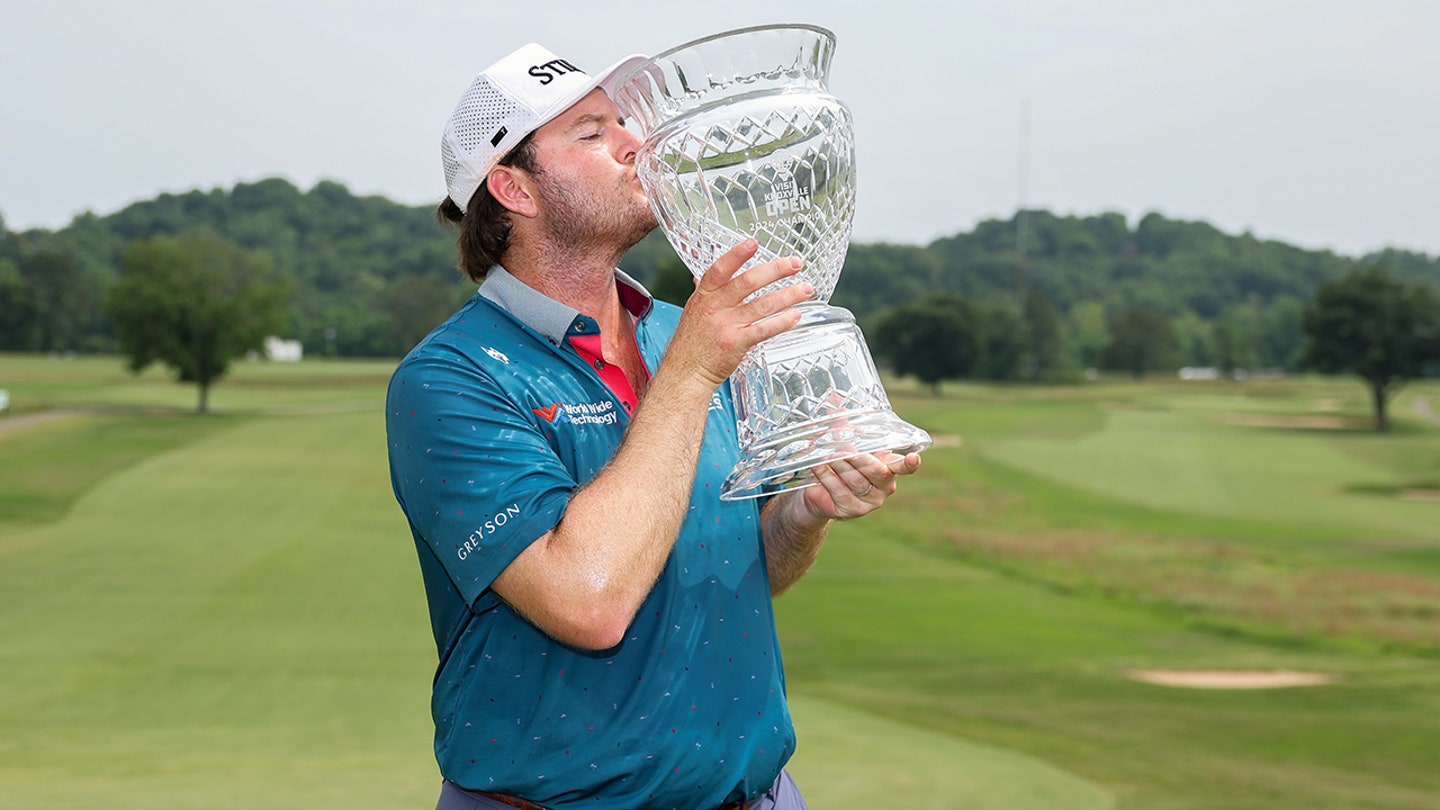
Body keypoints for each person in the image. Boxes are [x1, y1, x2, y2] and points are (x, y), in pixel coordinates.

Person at [385, 41, 921, 810]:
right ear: (513, 188)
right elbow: (588, 602)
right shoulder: (452, 378)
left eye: (625, 122)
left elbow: (746, 571)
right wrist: (694, 372)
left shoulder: (683, 334)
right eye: (593, 133)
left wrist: (805, 509)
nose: (638, 144)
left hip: (761, 795)